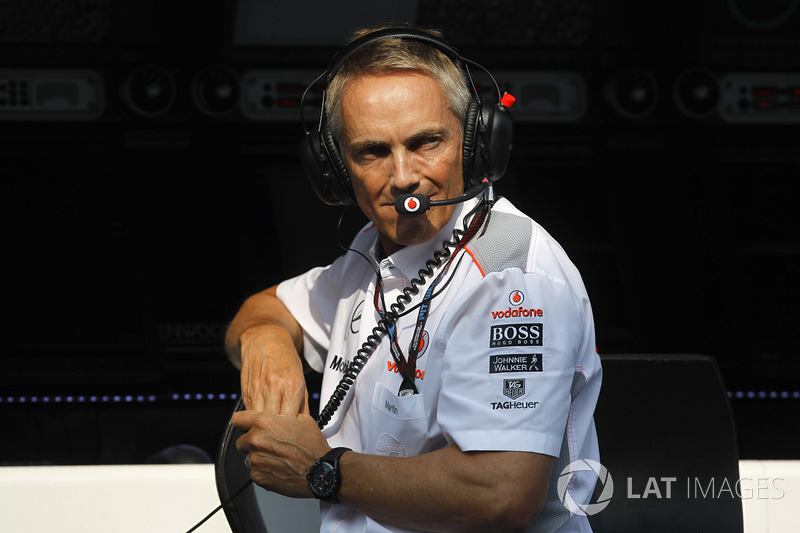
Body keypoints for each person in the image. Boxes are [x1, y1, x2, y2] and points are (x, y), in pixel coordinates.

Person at [226, 26, 602, 533]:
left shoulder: (512, 277)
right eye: (372, 152)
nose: (403, 176)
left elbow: (500, 494)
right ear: (333, 168)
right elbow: (264, 308)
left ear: (476, 143)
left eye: (426, 142)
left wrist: (321, 470)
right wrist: (266, 344)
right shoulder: (370, 252)